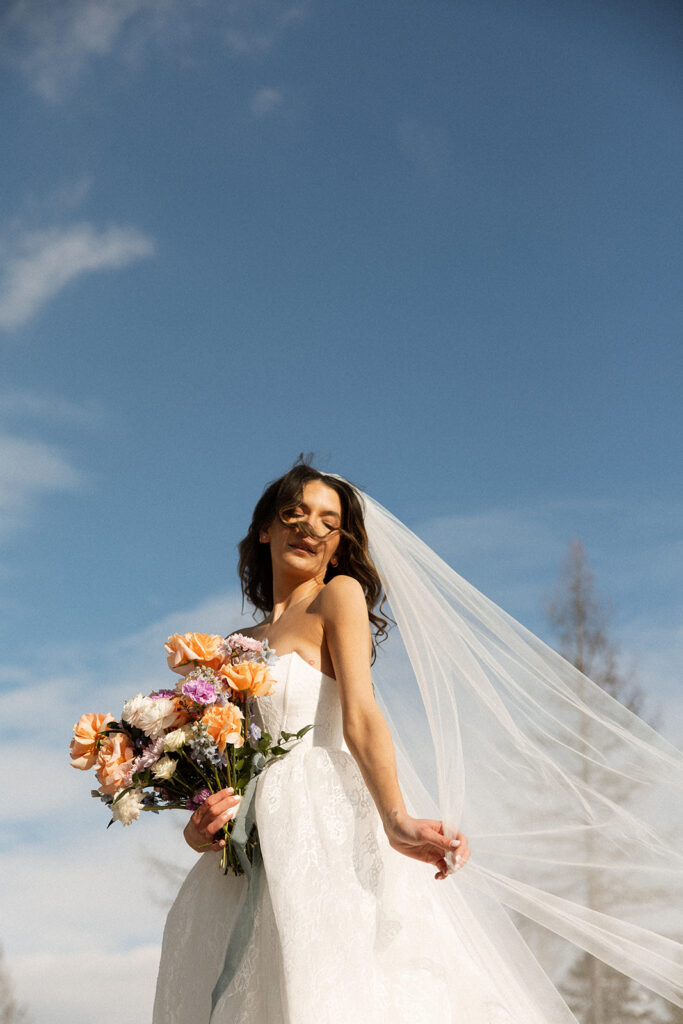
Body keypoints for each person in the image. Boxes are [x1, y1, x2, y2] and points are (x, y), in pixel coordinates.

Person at [153, 461, 683, 1023]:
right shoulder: (232, 647)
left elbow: (361, 714)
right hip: (250, 847)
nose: (309, 527)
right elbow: (220, 768)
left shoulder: (337, 597)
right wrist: (198, 828)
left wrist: (396, 820)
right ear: (265, 528)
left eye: (327, 522)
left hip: (322, 823)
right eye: (295, 513)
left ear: (338, 545)